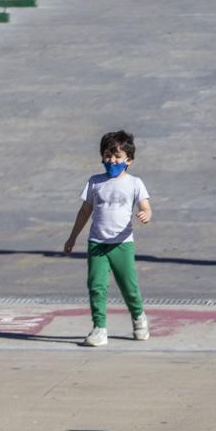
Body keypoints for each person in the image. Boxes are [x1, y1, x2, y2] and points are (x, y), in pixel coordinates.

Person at [63, 130, 153, 347]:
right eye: (107, 155)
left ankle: (139, 318)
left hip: (122, 244)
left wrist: (145, 215)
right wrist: (73, 237)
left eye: (117, 157)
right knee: (96, 285)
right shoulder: (95, 182)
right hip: (97, 243)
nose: (111, 161)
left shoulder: (134, 183)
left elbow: (146, 207)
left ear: (128, 160)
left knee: (128, 286)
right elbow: (85, 212)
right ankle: (99, 328)